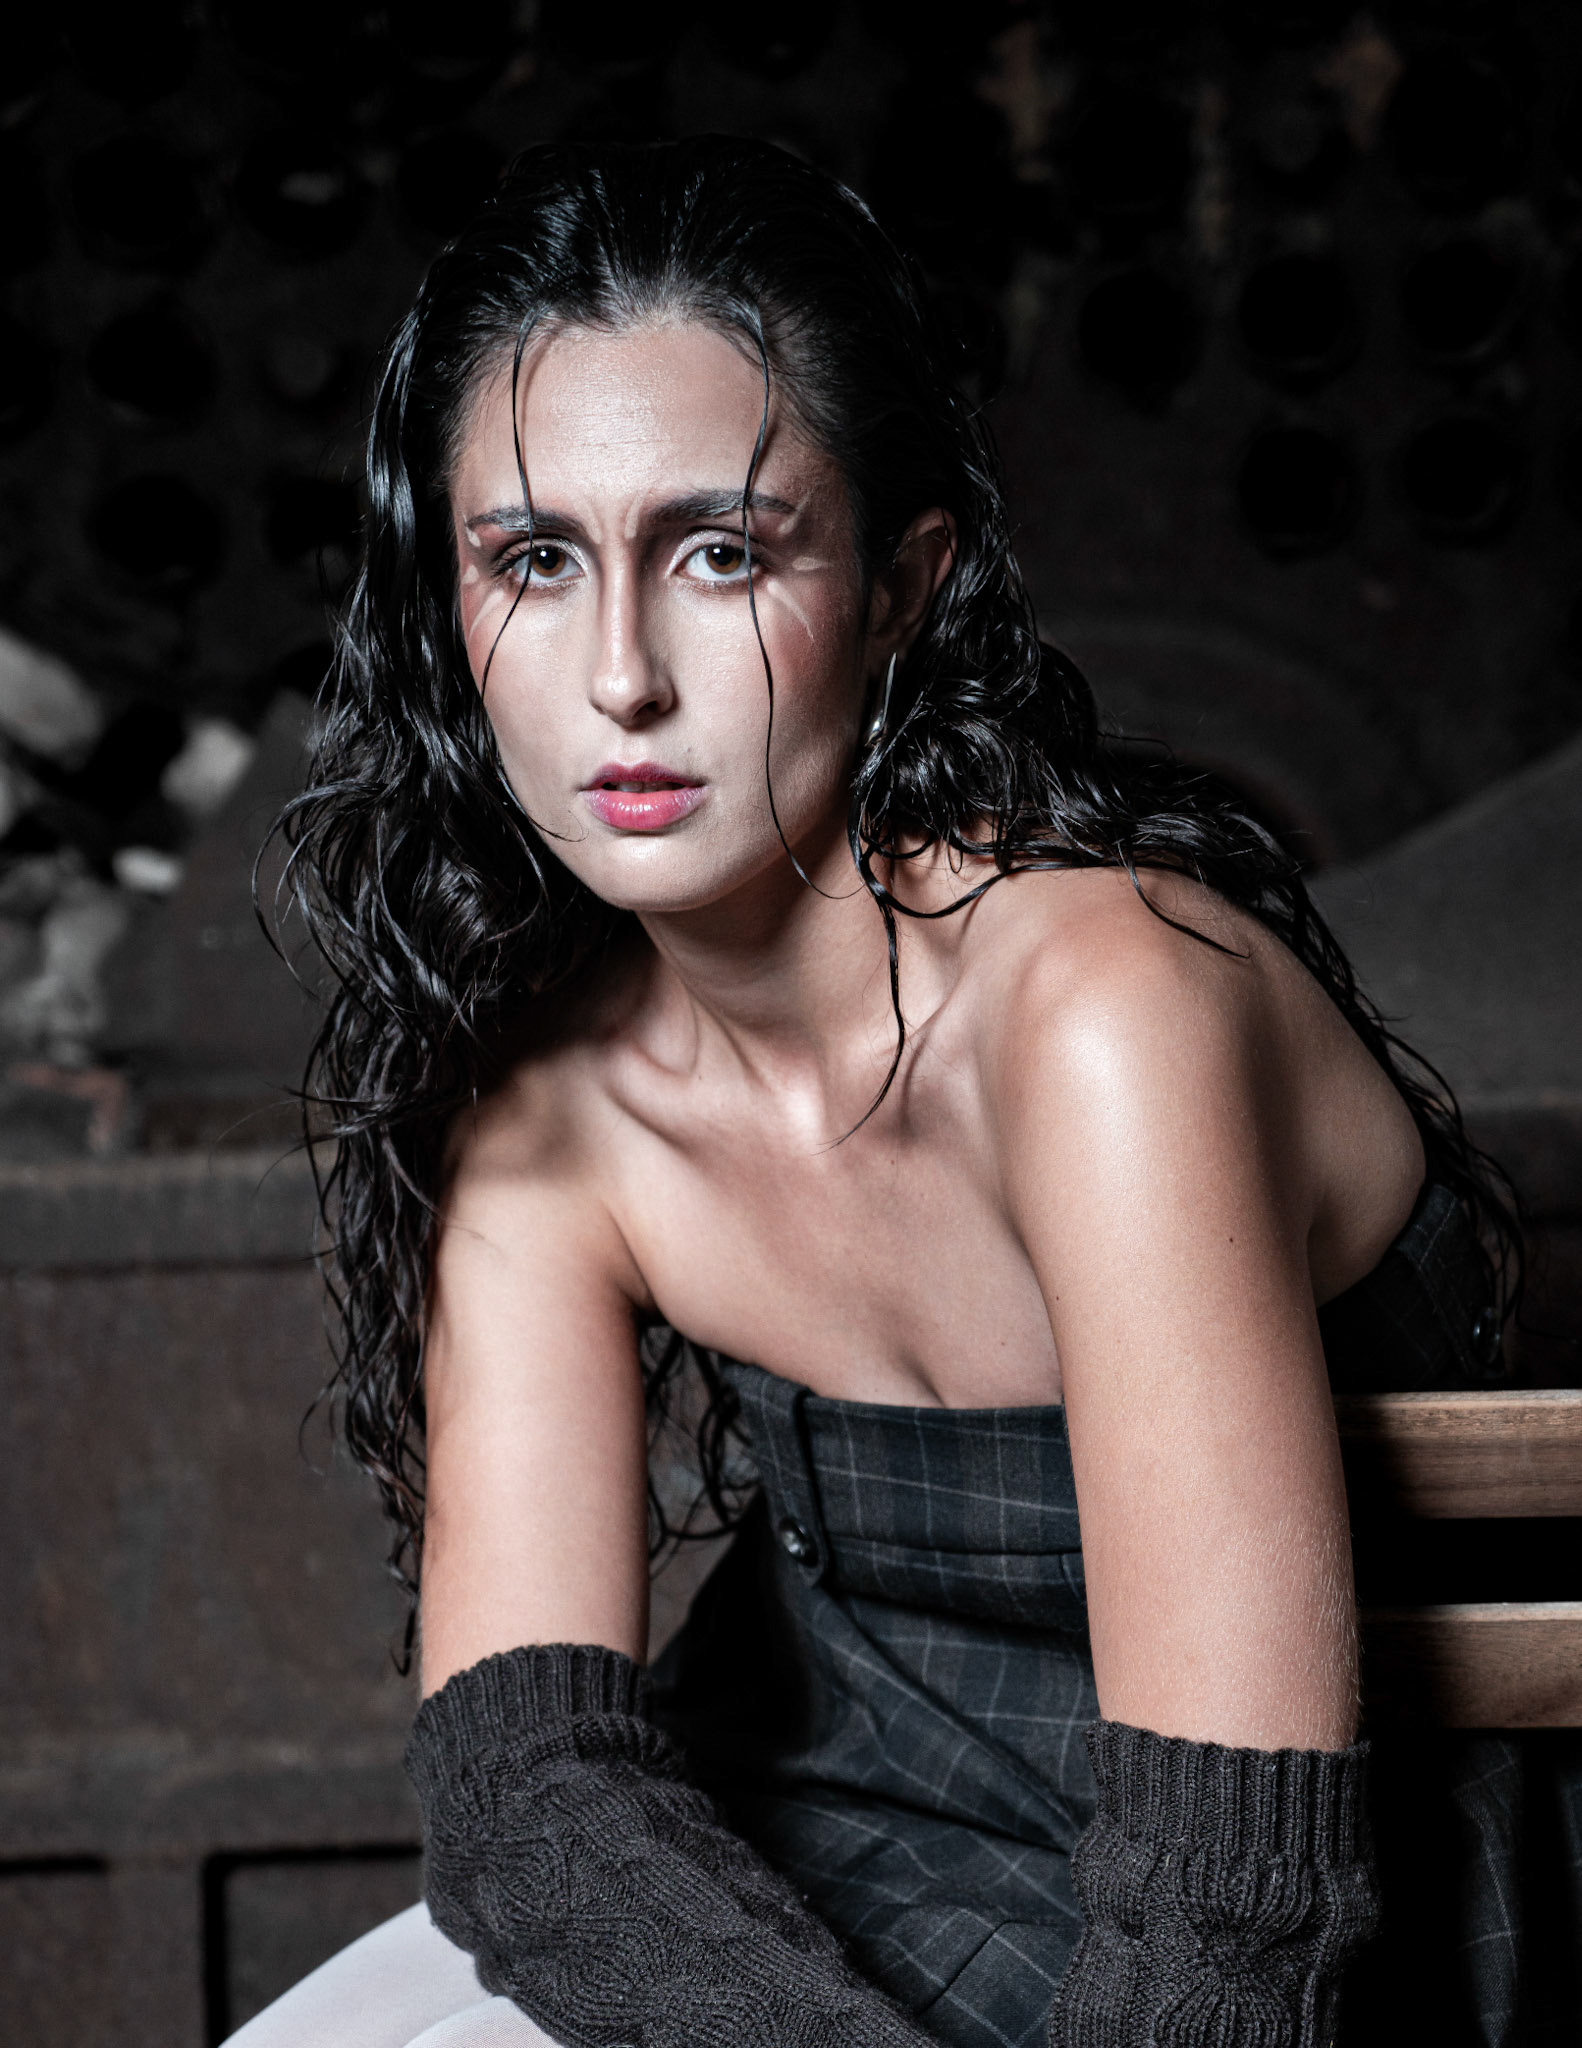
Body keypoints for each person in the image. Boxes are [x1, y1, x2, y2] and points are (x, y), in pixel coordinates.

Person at [232, 136, 1536, 2048]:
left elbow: (1231, 1916)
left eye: (719, 552)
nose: (620, 680)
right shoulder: (550, 1126)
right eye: (533, 561)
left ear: (899, 585)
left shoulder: (1100, 1008)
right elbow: (530, 1794)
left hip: (1298, 1919)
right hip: (818, 1882)